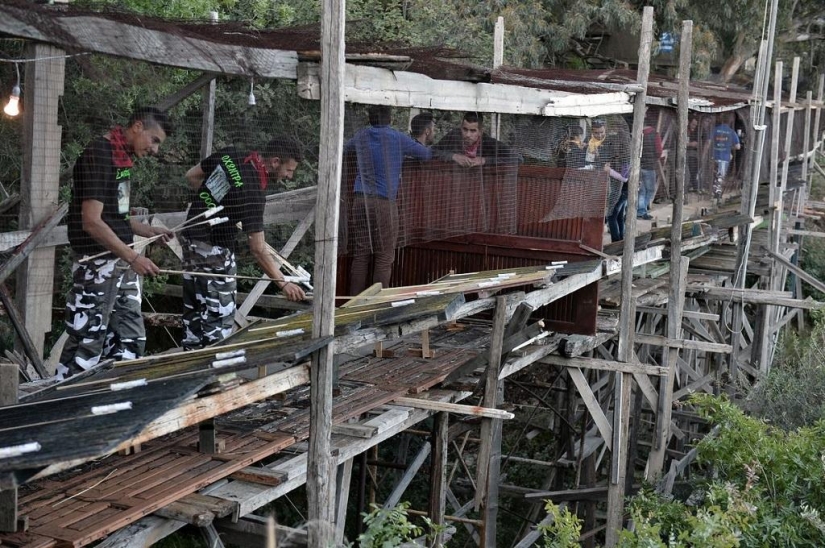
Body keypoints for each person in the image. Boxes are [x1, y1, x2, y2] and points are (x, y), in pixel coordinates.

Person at [57, 107, 173, 380]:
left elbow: (117, 215)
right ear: (136, 127)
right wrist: (134, 258)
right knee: (87, 338)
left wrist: (146, 229)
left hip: (121, 261)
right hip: (97, 262)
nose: (155, 149)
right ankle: (65, 402)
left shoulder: (123, 159)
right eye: (154, 140)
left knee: (129, 336)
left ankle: (119, 396)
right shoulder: (100, 154)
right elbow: (92, 222)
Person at [180, 137, 306, 350]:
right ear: (275, 161)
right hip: (216, 251)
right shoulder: (254, 191)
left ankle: (188, 366)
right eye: (289, 170)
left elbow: (192, 176)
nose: (289, 176)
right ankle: (215, 376)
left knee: (194, 312)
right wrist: (283, 283)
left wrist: (217, 203)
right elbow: (257, 248)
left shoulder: (231, 155)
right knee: (218, 319)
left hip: (191, 243)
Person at [346, 105, 432, 296]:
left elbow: (345, 149)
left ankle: (352, 304)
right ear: (390, 119)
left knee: (361, 255)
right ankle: (378, 306)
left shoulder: (361, 136)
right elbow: (426, 155)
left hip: (360, 200)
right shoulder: (397, 138)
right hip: (384, 203)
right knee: (384, 257)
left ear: (370, 119)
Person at [432, 111, 517, 167]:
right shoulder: (453, 136)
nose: (468, 135)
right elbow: (432, 151)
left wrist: (484, 160)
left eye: (473, 131)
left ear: (480, 132)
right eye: (465, 129)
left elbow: (517, 158)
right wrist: (454, 156)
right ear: (461, 127)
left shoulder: (489, 143)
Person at [637, 120, 663, 220]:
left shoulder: (638, 133)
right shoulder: (654, 134)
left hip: (639, 166)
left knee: (641, 191)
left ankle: (640, 210)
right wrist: (655, 159)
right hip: (649, 167)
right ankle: (642, 210)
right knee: (650, 190)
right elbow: (659, 151)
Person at [713, 117, 741, 192]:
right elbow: (738, 146)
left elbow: (708, 142)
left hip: (714, 156)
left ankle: (714, 189)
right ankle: (717, 193)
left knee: (714, 174)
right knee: (721, 176)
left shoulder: (715, 129)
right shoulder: (731, 132)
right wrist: (728, 147)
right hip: (724, 158)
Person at [687, 117, 701, 192]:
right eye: (693, 124)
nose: (694, 126)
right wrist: (690, 144)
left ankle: (694, 185)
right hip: (687, 152)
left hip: (695, 153)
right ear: (689, 122)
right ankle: (693, 186)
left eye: (695, 125)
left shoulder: (697, 131)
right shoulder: (686, 130)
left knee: (694, 170)